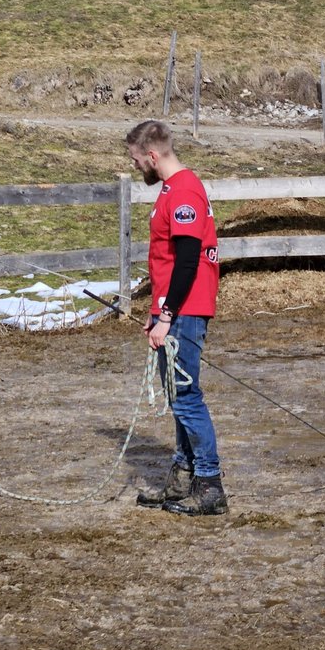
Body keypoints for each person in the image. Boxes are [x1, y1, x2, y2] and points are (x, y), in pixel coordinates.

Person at [126, 119, 227, 515]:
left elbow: (187, 262)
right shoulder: (171, 190)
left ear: (152, 156)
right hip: (172, 310)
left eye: (136, 160)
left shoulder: (184, 191)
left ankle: (210, 485)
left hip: (185, 312)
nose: (136, 167)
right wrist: (156, 312)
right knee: (177, 396)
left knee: (187, 398)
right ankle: (183, 477)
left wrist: (167, 314)